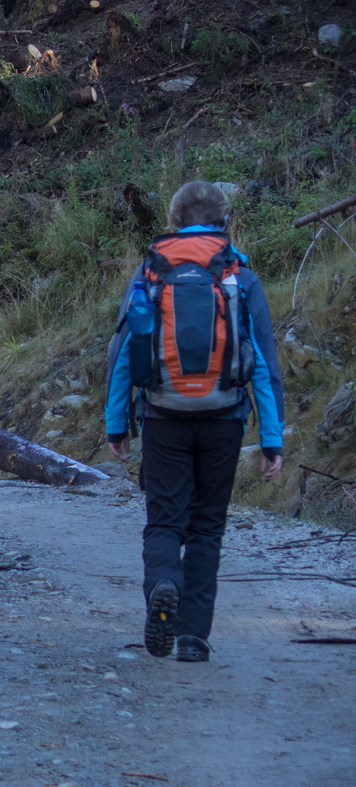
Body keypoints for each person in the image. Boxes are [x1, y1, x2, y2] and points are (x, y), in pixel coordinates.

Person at [104, 181, 284, 662]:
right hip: (224, 417)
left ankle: (164, 581)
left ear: (173, 221)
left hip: (163, 416)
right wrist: (272, 438)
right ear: (224, 222)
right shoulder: (238, 275)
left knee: (164, 521)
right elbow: (263, 362)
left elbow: (123, 353)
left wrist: (116, 423)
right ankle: (191, 638)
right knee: (207, 528)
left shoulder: (150, 271)